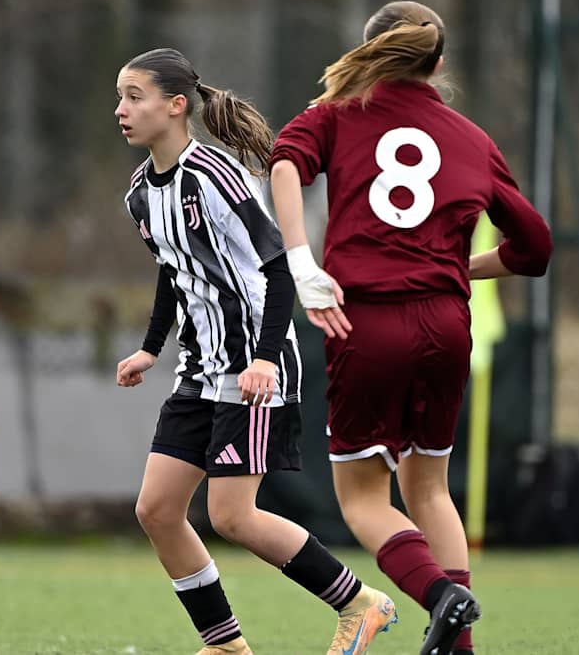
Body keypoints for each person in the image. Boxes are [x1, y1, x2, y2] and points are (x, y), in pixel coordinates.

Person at [267, 1, 554, 655]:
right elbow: (534, 247)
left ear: (371, 51)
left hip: (365, 320)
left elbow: (284, 164)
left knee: (364, 500)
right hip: (446, 325)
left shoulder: (337, 114)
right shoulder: (471, 137)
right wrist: (456, 268)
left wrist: (301, 260)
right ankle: (460, 648)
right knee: (429, 488)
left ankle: (439, 596)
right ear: (439, 63)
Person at [114, 48, 398, 655]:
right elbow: (174, 272)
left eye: (134, 97)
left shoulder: (215, 176)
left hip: (254, 368)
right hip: (199, 370)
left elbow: (275, 265)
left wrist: (264, 358)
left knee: (233, 516)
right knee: (158, 509)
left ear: (176, 105)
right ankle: (225, 645)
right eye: (120, 97)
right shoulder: (141, 192)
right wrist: (148, 349)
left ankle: (359, 603)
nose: (122, 110)